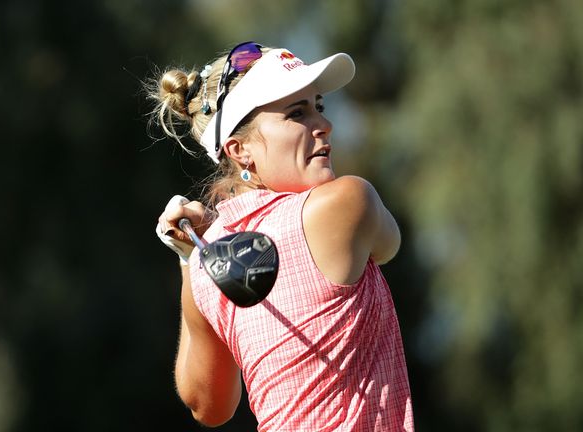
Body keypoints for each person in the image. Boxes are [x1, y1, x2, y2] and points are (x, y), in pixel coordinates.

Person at [149, 41, 415, 431]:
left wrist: (189, 258)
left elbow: (208, 405)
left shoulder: (208, 261)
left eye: (318, 107)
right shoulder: (346, 203)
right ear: (240, 150)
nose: (325, 125)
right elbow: (389, 245)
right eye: (297, 113)